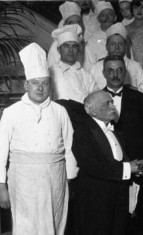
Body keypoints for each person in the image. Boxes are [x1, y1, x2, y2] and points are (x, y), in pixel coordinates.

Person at [0, 43, 78, 235]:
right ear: (26, 84)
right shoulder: (11, 112)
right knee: (27, 227)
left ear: (50, 85)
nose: (40, 88)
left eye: (44, 83)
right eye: (35, 83)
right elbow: (1, 151)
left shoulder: (60, 112)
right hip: (23, 180)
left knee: (56, 223)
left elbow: (69, 148)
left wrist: (70, 180)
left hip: (55, 178)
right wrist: (1, 186)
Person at [72, 90, 143, 235]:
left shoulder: (115, 131)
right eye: (107, 103)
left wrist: (133, 166)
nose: (113, 107)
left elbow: (115, 160)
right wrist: (128, 168)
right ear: (92, 110)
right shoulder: (83, 133)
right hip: (97, 204)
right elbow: (94, 167)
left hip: (118, 201)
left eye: (112, 102)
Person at [102, 55, 143, 234]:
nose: (115, 74)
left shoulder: (138, 98)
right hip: (111, 174)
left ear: (125, 72)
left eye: (119, 70)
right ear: (103, 73)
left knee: (139, 222)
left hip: (138, 170)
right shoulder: (96, 100)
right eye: (110, 70)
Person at [90, 22, 143, 101]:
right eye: (113, 44)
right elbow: (91, 96)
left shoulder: (135, 66)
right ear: (106, 46)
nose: (117, 48)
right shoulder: (96, 67)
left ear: (126, 46)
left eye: (120, 44)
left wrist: (131, 90)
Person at [49, 24, 99, 103]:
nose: (70, 50)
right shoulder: (51, 73)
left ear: (78, 50)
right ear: (59, 50)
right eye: (66, 46)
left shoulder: (87, 76)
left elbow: (95, 102)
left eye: (74, 46)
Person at [47, 1, 85, 68]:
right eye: (71, 22)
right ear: (64, 25)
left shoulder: (80, 42)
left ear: (82, 25)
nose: (75, 25)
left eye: (78, 22)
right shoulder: (57, 45)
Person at [84, 1, 117, 71]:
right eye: (103, 15)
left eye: (110, 15)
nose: (106, 18)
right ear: (98, 19)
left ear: (115, 17)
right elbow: (88, 69)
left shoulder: (123, 37)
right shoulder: (91, 42)